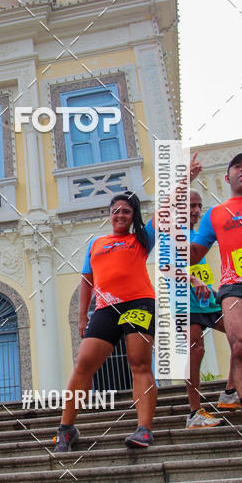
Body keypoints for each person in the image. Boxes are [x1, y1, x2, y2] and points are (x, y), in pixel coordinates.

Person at [54, 191, 158, 452]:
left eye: (126, 211)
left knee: (139, 363)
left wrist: (184, 180)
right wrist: (81, 316)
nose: (120, 215)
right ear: (109, 214)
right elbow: (87, 281)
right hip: (105, 308)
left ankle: (143, 429)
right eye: (116, 210)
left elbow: (165, 210)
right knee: (84, 364)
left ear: (133, 216)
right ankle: (66, 428)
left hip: (138, 303)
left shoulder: (141, 239)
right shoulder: (96, 243)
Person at [191, 151, 242, 460]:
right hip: (236, 288)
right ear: (227, 177)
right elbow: (194, 253)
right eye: (237, 167)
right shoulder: (216, 214)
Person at [186, 189, 239, 427]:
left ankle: (229, 391)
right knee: (196, 351)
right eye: (191, 206)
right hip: (185, 300)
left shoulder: (198, 235)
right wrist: (193, 280)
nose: (196, 211)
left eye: (198, 206)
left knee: (241, 335)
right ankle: (194, 412)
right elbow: (166, 265)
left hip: (208, 299)